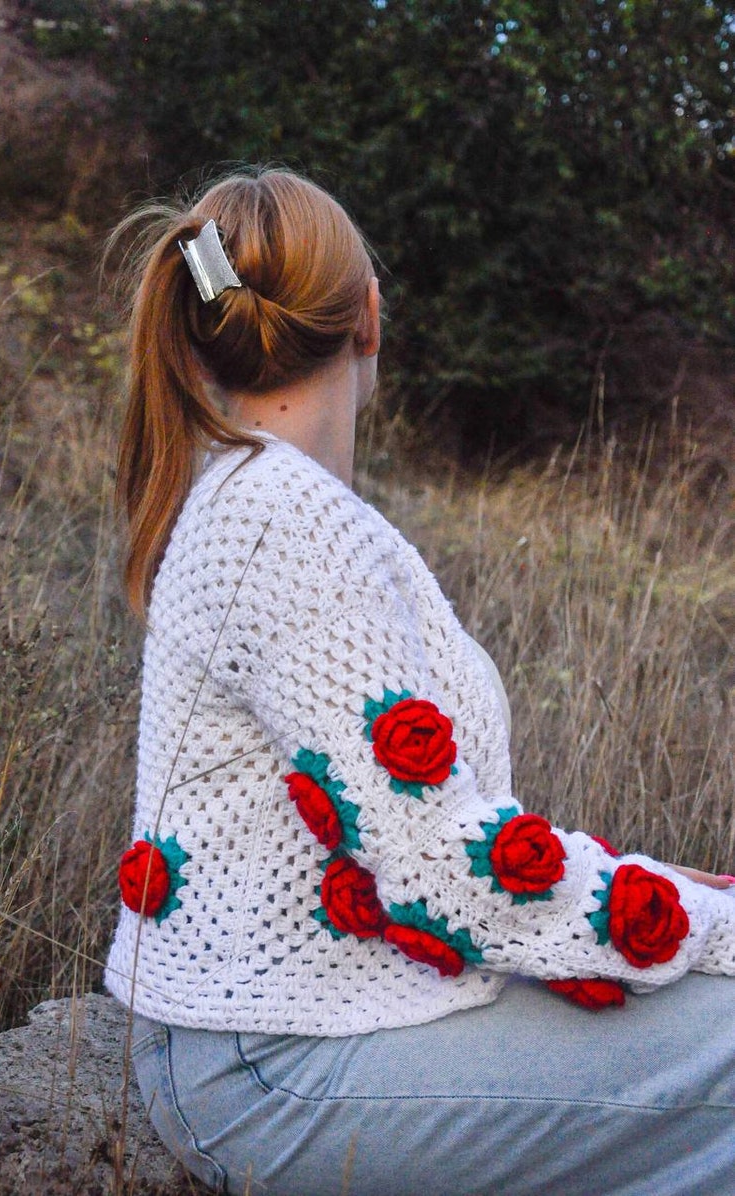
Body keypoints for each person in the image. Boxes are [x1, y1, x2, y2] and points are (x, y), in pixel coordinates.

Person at [104, 167, 735, 1196]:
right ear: (369, 315)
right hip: (267, 1063)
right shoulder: (283, 521)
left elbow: (429, 833)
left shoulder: (263, 498)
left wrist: (658, 892)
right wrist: (702, 926)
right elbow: (444, 871)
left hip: (306, 1014)